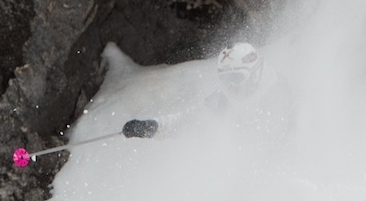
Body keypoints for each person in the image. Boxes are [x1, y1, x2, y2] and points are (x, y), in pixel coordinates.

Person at [122, 42, 293, 140]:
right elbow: (187, 119)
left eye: (236, 78)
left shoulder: (277, 94)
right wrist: (152, 126)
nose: (231, 87)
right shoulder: (223, 99)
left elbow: (286, 141)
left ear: (255, 74)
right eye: (225, 80)